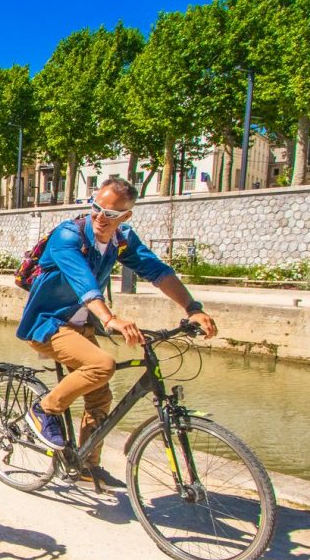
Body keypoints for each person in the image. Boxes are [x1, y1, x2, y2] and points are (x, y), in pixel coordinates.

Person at [16, 177, 218, 488]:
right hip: (48, 323)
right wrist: (110, 319)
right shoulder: (68, 235)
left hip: (82, 325)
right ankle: (43, 410)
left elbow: (158, 271)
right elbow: (85, 283)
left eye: (110, 214)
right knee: (102, 365)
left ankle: (85, 465)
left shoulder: (121, 239)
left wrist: (192, 308)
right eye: (96, 209)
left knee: (100, 396)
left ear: (125, 217)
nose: (100, 218)